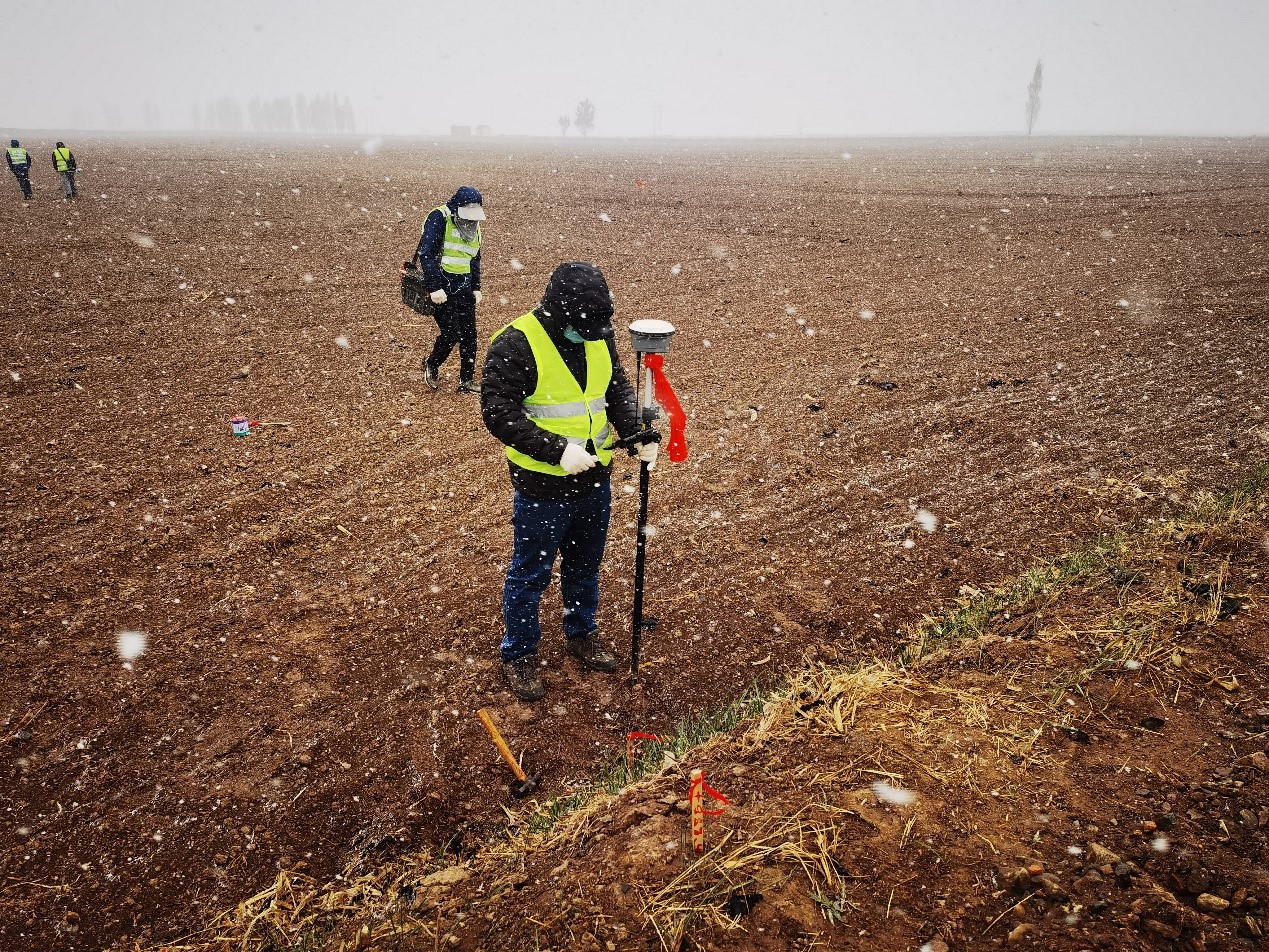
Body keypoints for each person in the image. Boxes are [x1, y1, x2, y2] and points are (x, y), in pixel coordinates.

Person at [481, 262, 658, 701]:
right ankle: (519, 653)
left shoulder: (597, 332)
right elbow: (498, 413)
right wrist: (557, 450)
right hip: (542, 485)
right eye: (588, 326)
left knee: (585, 566)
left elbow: (614, 388)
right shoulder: (516, 344)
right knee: (531, 572)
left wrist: (635, 433)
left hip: (595, 478)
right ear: (562, 313)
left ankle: (581, 633)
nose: (598, 334)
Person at [415, 185, 484, 394]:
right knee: (451, 331)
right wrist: (435, 287)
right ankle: (432, 363)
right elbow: (426, 254)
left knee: (470, 334)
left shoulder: (474, 225)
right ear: (457, 207)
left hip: (464, 286)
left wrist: (476, 287)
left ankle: (467, 380)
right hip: (443, 286)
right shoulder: (439, 217)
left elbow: (474, 258)